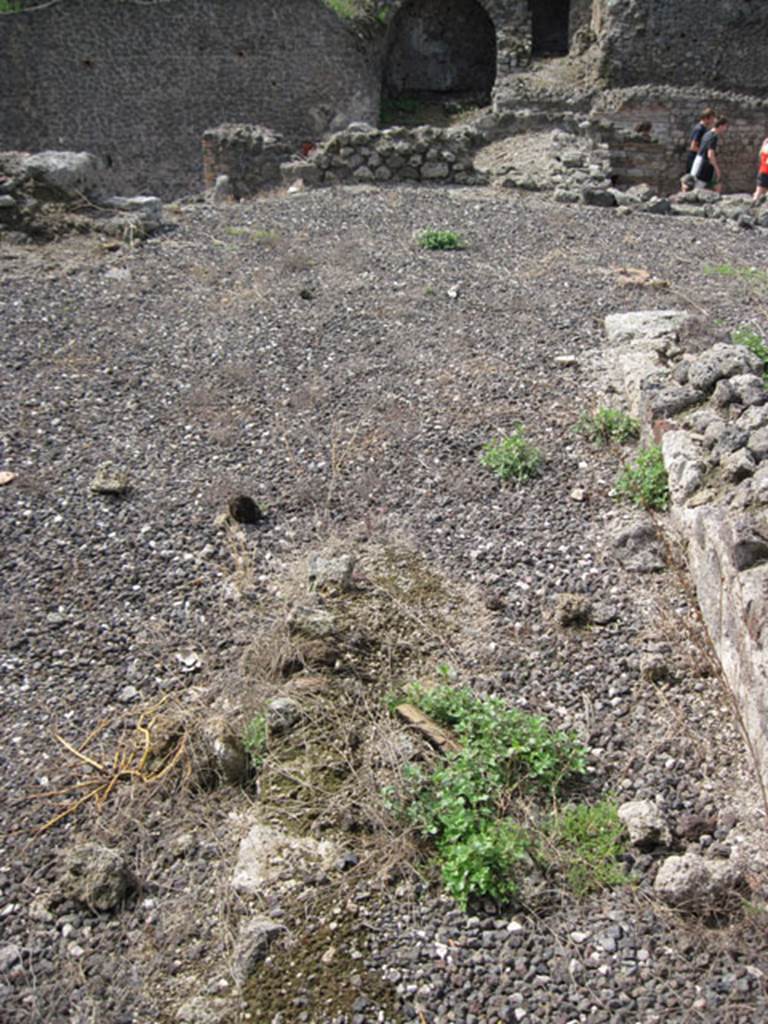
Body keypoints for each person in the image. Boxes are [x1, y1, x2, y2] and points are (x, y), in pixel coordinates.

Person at [680, 108, 716, 191]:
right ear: (707, 118)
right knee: (691, 181)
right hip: (694, 158)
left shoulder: (702, 129)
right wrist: (704, 152)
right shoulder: (699, 129)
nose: (713, 121)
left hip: (697, 157)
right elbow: (693, 146)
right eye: (712, 119)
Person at [691, 117, 728, 193]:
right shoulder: (713, 137)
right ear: (720, 126)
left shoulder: (707, 134)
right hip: (704, 166)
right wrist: (717, 169)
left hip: (698, 162)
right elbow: (710, 154)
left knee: (712, 185)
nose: (725, 129)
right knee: (698, 189)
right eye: (725, 126)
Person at [752, 135, 768, 204]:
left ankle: (753, 205)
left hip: (762, 172)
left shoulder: (763, 149)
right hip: (765, 172)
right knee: (759, 192)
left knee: (758, 192)